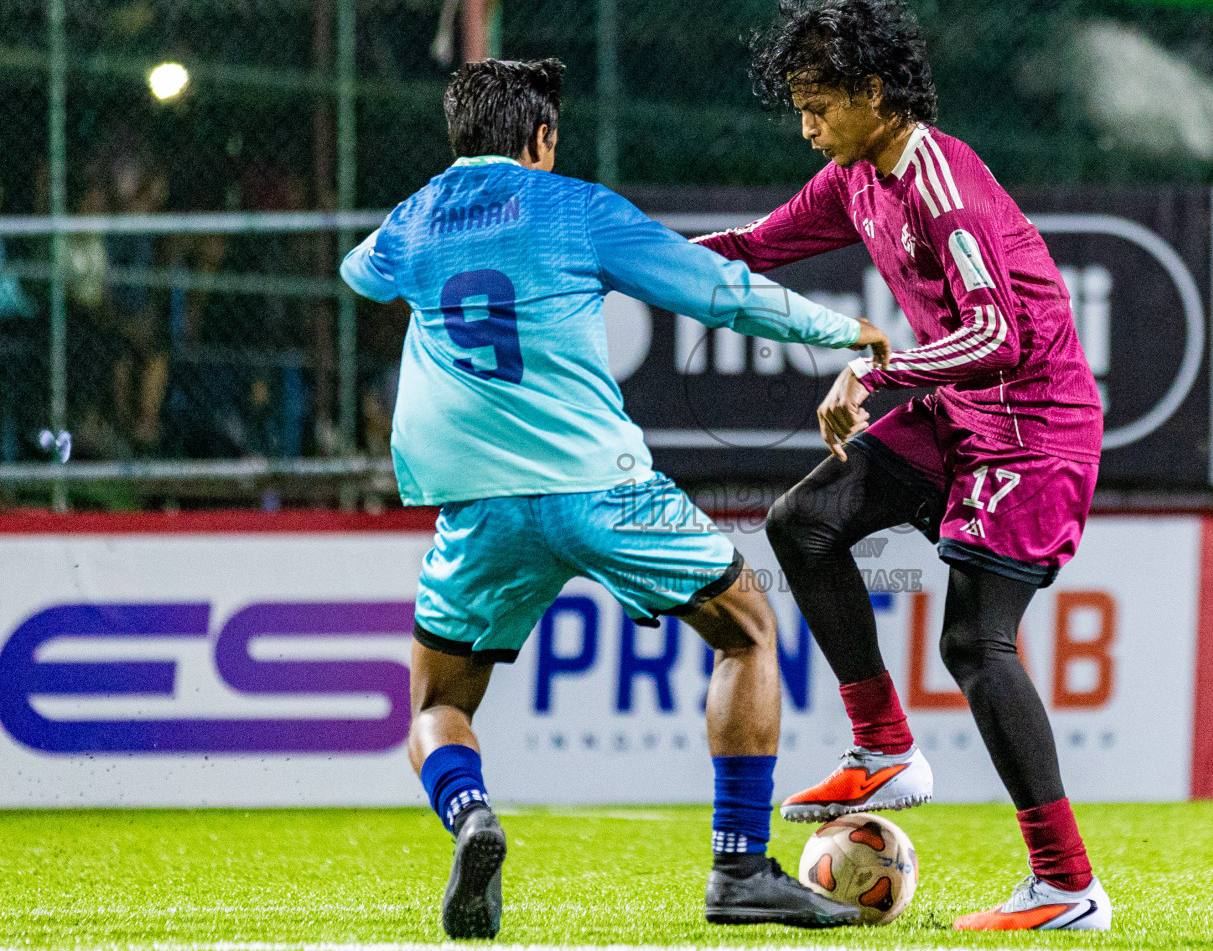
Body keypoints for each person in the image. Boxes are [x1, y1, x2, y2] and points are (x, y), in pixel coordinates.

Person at [339, 57, 889, 939]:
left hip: (477, 507)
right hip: (601, 488)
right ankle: (740, 869)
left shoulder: (414, 220)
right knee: (747, 628)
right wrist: (841, 330)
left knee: (438, 705)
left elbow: (359, 272)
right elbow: (717, 292)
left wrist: (438, 223)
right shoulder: (576, 207)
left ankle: (472, 813)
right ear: (542, 137)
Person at [692, 0, 1112, 932]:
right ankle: (883, 748)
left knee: (974, 642)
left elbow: (999, 332)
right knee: (803, 523)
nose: (806, 127)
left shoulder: (939, 183)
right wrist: (626, 258)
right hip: (960, 410)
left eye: (818, 105)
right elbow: (755, 248)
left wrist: (871, 374)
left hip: (1035, 426)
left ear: (876, 92)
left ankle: (1066, 888)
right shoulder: (856, 177)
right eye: (798, 107)